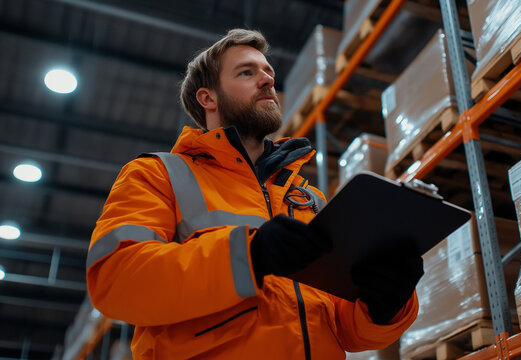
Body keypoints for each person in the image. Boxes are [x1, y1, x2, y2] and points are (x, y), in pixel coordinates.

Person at [86, 29, 424, 359]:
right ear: (208, 98)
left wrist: (386, 305)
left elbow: (345, 330)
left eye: (268, 72)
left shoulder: (308, 198)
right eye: (247, 72)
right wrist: (249, 256)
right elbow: (117, 280)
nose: (267, 80)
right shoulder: (158, 175)